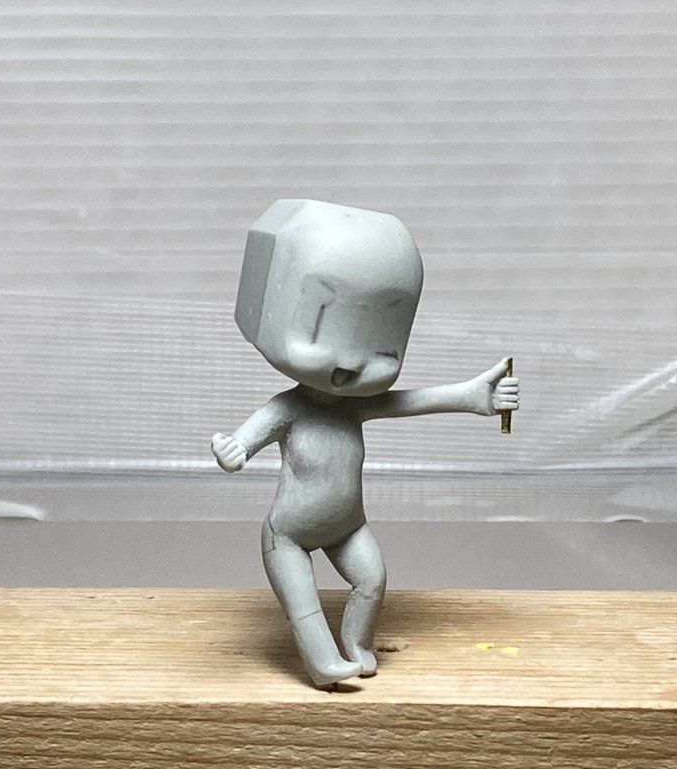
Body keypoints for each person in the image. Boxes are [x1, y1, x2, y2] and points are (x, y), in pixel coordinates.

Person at [212, 199, 519, 688]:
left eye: (382, 344)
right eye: (320, 322)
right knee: (305, 604)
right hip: (288, 536)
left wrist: (471, 397)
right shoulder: (289, 408)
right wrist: (234, 451)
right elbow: (244, 443)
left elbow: (413, 401)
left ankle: (357, 646)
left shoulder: (354, 407)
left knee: (372, 580)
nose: (351, 363)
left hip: (348, 527)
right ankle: (323, 664)